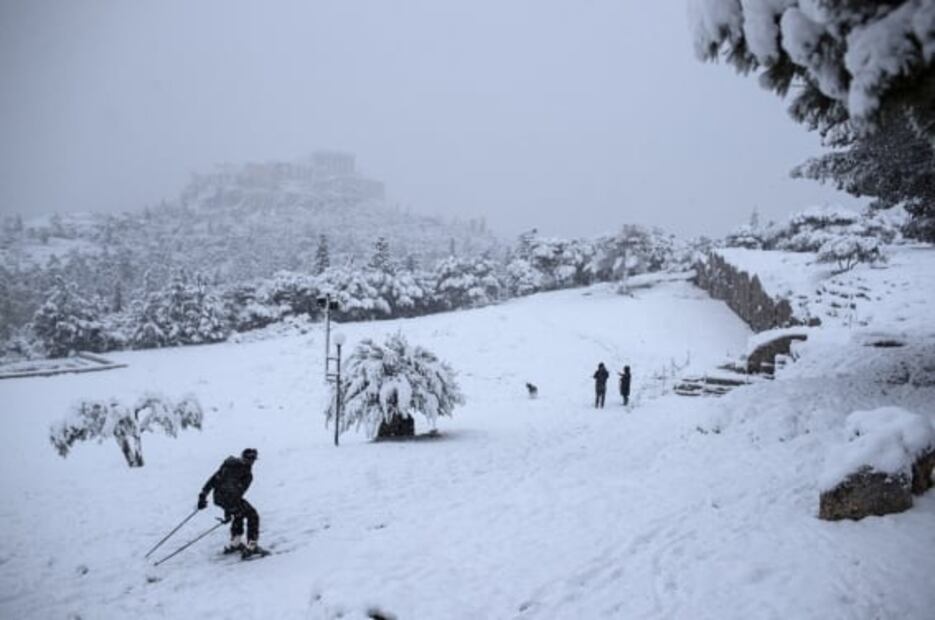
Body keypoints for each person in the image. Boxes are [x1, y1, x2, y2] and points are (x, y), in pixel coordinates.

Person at [198, 448, 264, 558]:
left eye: (252, 459)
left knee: (239, 513)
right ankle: (252, 547)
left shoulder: (228, 465)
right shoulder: (246, 474)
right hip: (229, 499)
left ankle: (236, 543)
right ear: (243, 458)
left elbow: (214, 480)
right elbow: (235, 492)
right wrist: (228, 511)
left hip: (219, 498)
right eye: (249, 459)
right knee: (252, 515)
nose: (250, 462)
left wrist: (203, 495)